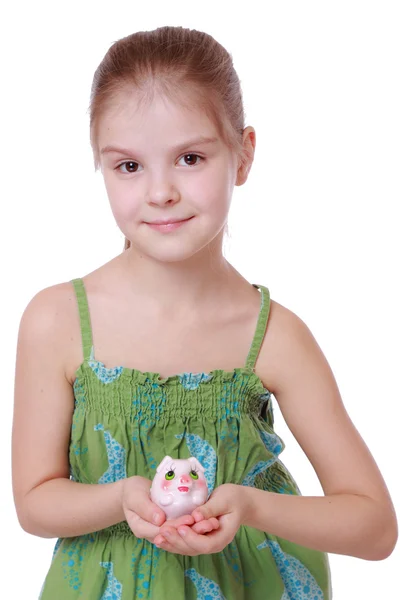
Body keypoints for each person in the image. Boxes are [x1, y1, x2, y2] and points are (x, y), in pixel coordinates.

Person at [11, 25, 397, 600]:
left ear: (243, 155)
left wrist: (248, 504)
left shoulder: (275, 338)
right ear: (99, 164)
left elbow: (374, 528)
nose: (161, 191)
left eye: (189, 157)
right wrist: (120, 497)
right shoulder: (57, 321)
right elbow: (35, 502)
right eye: (128, 166)